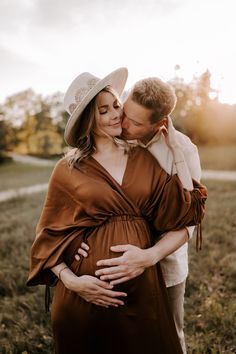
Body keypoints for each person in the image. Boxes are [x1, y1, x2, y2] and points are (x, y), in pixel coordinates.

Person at [27, 67, 207, 354]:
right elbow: (47, 234)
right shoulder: (67, 168)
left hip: (147, 280)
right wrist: (72, 280)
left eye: (116, 106)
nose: (117, 116)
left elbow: (184, 215)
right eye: (105, 111)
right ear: (89, 119)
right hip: (83, 292)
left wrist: (148, 256)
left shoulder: (146, 156)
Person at [77, 77, 202, 353]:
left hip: (164, 264)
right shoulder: (113, 136)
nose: (122, 124)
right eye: (124, 112)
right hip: (115, 266)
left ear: (159, 124)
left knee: (169, 334)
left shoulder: (183, 150)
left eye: (134, 123)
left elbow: (188, 221)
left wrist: (150, 256)